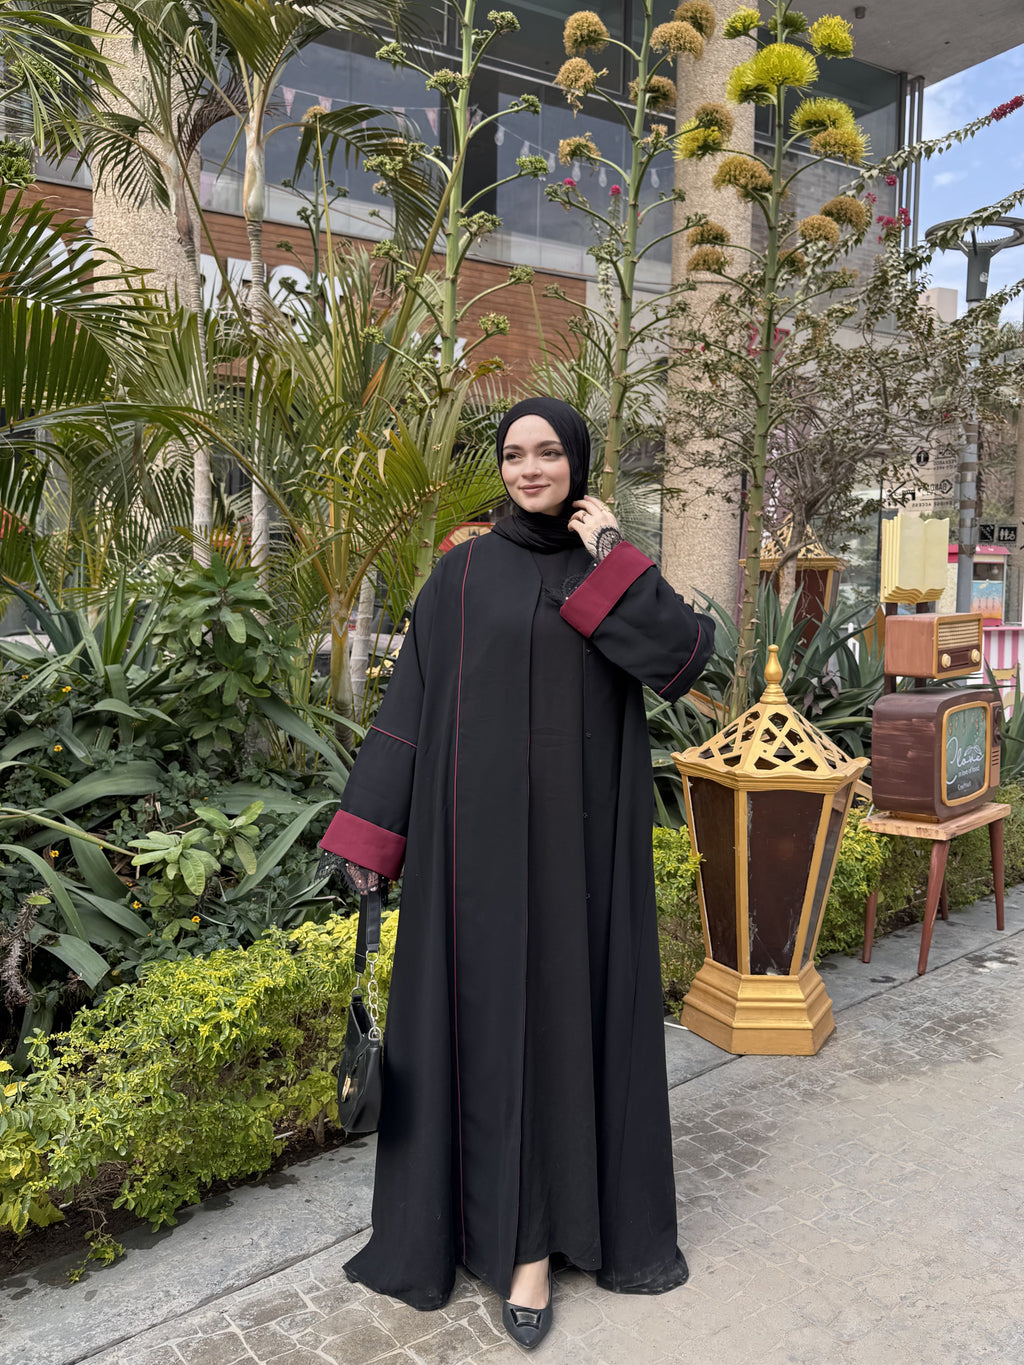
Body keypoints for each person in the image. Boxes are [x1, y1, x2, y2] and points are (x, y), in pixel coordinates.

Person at [318, 396, 714, 1349]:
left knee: (569, 1030)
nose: (529, 468)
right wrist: (372, 839)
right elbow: (410, 709)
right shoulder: (457, 577)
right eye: (513, 453)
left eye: (547, 453)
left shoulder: (603, 570)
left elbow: (680, 659)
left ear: (576, 463)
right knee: (488, 1036)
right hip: (474, 863)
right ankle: (509, 1240)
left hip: (584, 860)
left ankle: (558, 1235)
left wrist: (615, 547)